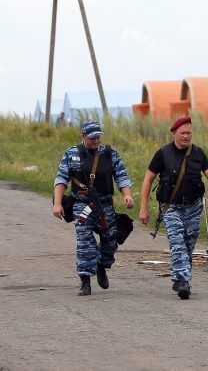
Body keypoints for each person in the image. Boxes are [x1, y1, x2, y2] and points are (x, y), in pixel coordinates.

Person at [139, 116, 208, 300]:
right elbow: (148, 180)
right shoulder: (163, 154)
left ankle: (178, 277)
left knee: (188, 245)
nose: (186, 136)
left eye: (189, 133)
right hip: (171, 207)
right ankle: (184, 281)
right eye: (182, 133)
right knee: (177, 242)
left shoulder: (198, 153)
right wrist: (143, 208)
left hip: (193, 207)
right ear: (174, 133)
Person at [53, 121, 135, 296]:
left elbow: (121, 175)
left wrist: (126, 194)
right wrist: (57, 204)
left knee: (111, 240)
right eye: (92, 138)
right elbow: (61, 179)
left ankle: (101, 265)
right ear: (83, 137)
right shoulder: (71, 154)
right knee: (84, 241)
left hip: (104, 204)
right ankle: (85, 280)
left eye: (99, 137)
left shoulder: (110, 153)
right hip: (82, 205)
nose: (97, 140)